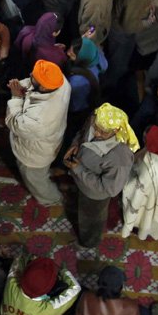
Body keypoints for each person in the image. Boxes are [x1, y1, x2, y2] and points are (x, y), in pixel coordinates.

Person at [65, 103, 137, 248]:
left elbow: (109, 189)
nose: (97, 133)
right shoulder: (96, 118)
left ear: (116, 130)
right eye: (95, 128)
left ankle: (88, 242)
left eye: (103, 132)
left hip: (94, 195)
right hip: (82, 182)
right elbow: (82, 133)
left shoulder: (119, 157)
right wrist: (74, 145)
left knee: (90, 220)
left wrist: (78, 169)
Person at [6, 60, 72, 207]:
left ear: (42, 86)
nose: (30, 75)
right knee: (39, 175)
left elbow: (15, 124)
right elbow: (35, 84)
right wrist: (21, 86)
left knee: (35, 179)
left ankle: (51, 199)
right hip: (48, 141)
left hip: (34, 155)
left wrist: (16, 97)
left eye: (33, 76)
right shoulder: (60, 81)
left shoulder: (40, 118)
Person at [0, 255, 81, 315]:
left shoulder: (11, 283)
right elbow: (76, 288)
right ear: (49, 288)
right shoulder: (49, 309)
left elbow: (19, 258)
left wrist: (32, 260)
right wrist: (63, 270)